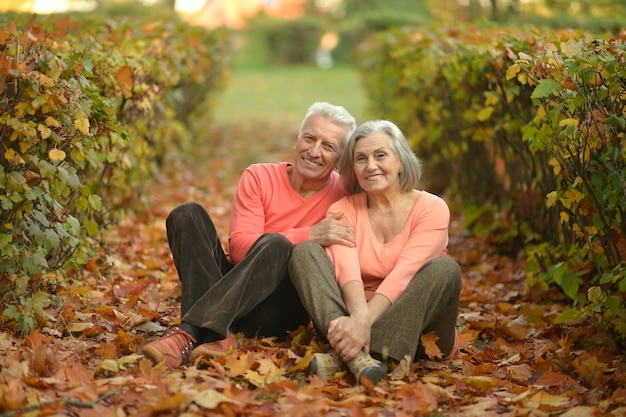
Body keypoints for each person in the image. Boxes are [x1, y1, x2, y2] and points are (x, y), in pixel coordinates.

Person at [141, 102, 357, 369]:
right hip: (234, 287)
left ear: (340, 160)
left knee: (277, 243)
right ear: (297, 140)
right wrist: (309, 234)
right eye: (309, 138)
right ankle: (219, 336)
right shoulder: (259, 176)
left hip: (278, 311)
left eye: (328, 146)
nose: (314, 151)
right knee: (187, 214)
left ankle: (190, 334)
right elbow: (242, 249)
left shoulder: (346, 197)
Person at [288, 119, 463, 385]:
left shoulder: (432, 208)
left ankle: (346, 357)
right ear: (353, 168)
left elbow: (405, 274)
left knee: (445, 270)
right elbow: (347, 273)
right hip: (348, 321)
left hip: (419, 331)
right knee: (306, 252)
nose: (371, 166)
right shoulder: (344, 210)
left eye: (380, 155)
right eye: (361, 159)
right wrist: (358, 319)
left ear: (401, 161)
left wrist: (362, 324)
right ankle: (366, 360)